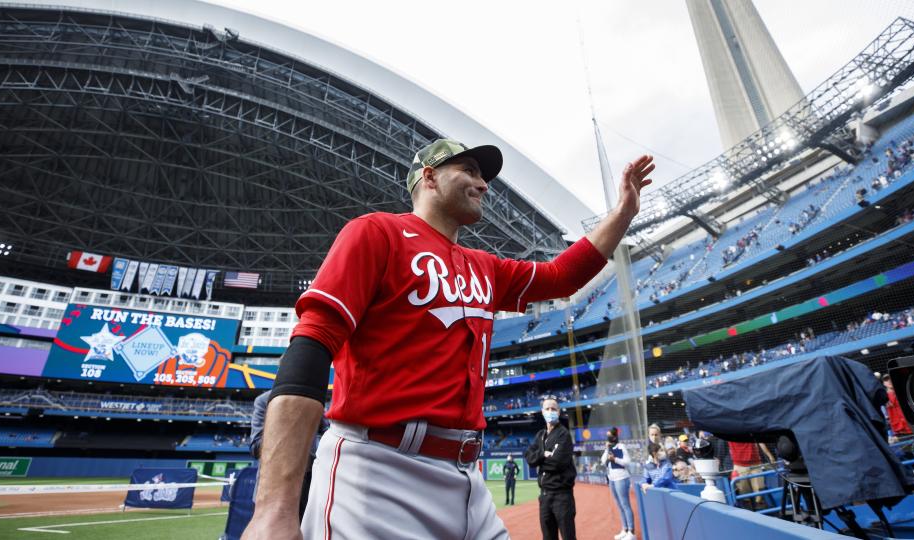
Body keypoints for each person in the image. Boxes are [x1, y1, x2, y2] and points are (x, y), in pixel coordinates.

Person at [242, 138, 654, 539]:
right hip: (378, 473)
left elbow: (562, 277)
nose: (483, 183)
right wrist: (274, 509)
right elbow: (311, 346)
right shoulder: (376, 232)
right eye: (469, 170)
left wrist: (623, 212)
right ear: (430, 177)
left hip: (466, 478)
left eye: (483, 175)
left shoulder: (485, 266)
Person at [249, 390, 327, 523]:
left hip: (308, 482)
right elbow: (255, 448)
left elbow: (326, 433)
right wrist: (288, 429)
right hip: (272, 484)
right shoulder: (264, 401)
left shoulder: (313, 402)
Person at [525, 396, 577, 540]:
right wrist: (543, 454)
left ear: (559, 412)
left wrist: (539, 460)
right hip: (545, 496)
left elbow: (557, 463)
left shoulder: (564, 435)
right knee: (548, 537)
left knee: (568, 536)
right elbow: (529, 458)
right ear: (542, 412)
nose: (550, 411)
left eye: (553, 409)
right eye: (547, 409)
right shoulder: (540, 435)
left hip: (562, 496)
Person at [601, 427, 635, 540]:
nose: (608, 437)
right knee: (620, 506)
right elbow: (602, 461)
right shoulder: (608, 448)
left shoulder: (621, 446)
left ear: (615, 436)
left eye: (610, 435)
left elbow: (627, 461)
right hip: (612, 479)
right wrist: (607, 450)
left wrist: (615, 459)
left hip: (622, 478)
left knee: (625, 505)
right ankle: (624, 529)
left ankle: (631, 532)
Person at [727, 440, 775, 509]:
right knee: (744, 493)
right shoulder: (729, 432)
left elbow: (760, 441)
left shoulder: (749, 430)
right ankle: (749, 509)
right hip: (739, 465)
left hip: (755, 464)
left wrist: (770, 456)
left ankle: (761, 508)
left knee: (759, 491)